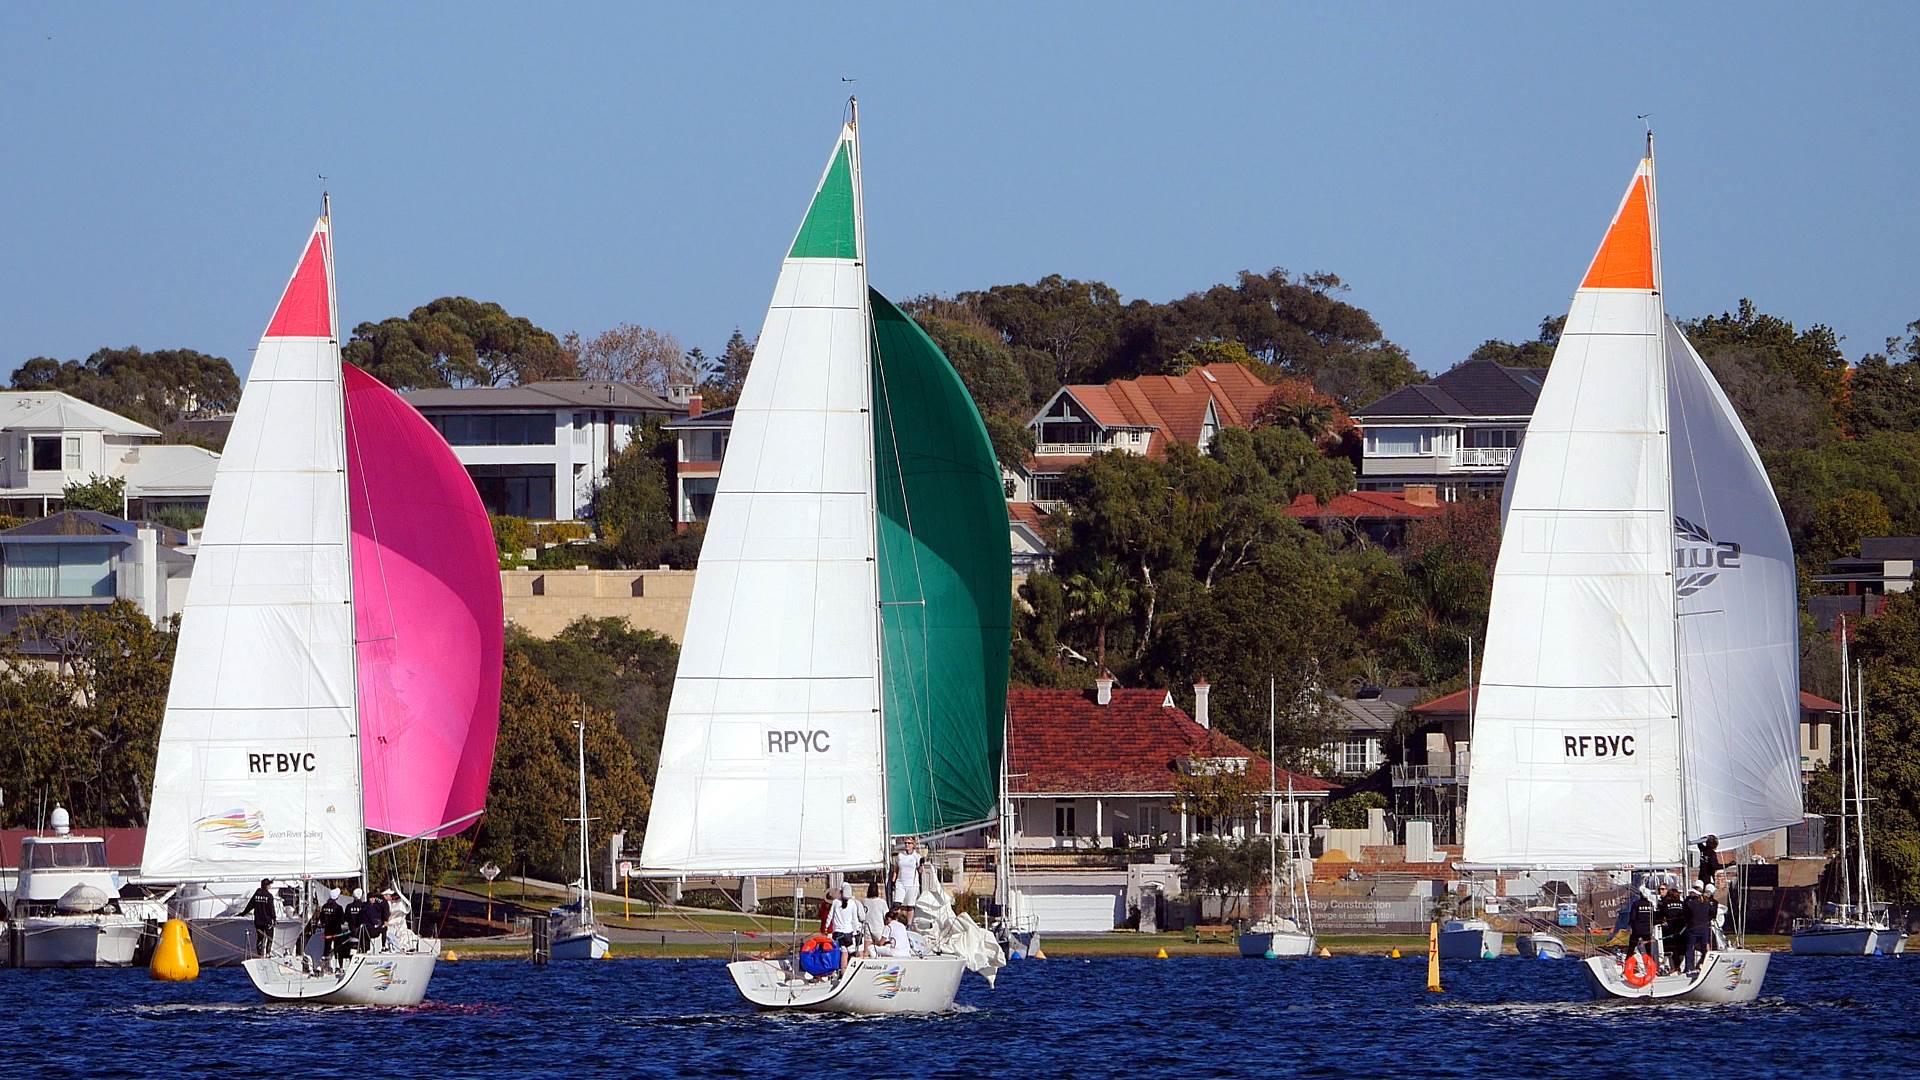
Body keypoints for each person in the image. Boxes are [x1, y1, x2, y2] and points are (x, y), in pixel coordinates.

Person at [825, 886, 861, 970]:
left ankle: (843, 972)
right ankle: (853, 970)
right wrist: (857, 930)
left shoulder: (835, 902)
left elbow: (830, 916)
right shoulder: (852, 903)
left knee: (844, 952)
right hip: (847, 933)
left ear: (841, 892)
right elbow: (855, 919)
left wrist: (826, 927)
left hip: (837, 933)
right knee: (853, 952)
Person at [241, 877, 277, 957]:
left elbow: (250, 905)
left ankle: (259, 954)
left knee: (260, 938)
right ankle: (268, 953)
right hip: (267, 921)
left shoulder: (257, 894)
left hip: (258, 921)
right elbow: (271, 908)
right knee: (270, 937)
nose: (270, 886)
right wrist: (274, 918)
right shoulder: (269, 896)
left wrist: (243, 913)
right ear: (266, 886)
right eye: (269, 885)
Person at [1683, 884, 1715, 973]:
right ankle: (1706, 966)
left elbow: (1685, 914)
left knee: (1690, 948)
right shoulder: (1707, 903)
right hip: (1704, 928)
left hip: (1692, 928)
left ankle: (1688, 967)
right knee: (1704, 948)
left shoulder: (1690, 903)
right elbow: (1712, 914)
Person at [316, 888, 350, 971]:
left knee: (326, 949)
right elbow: (342, 921)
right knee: (338, 949)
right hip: (337, 931)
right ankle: (340, 967)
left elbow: (322, 919)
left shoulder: (324, 907)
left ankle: (322, 967)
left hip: (327, 930)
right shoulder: (339, 908)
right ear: (337, 897)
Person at [1658, 880, 1689, 965]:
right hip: (1682, 928)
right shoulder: (1683, 904)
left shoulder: (1665, 904)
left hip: (1670, 929)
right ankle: (1682, 964)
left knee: (1673, 947)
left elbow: (1661, 916)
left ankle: (1675, 965)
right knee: (1682, 947)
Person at [1625, 885, 1656, 956]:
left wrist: (1630, 926)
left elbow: (1632, 917)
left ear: (1641, 894)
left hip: (1637, 930)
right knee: (1649, 950)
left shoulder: (1636, 904)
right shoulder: (1650, 904)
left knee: (1631, 948)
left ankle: (1628, 962)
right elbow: (1653, 918)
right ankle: (1650, 964)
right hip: (1648, 930)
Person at [861, 882, 889, 955]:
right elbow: (886, 916)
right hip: (879, 928)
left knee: (866, 951)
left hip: (868, 927)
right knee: (881, 951)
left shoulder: (864, 901)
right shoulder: (882, 902)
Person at [894, 838, 923, 907]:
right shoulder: (900, 855)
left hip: (912, 884)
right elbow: (896, 869)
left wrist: (921, 865)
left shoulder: (917, 856)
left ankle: (909, 918)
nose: (907, 844)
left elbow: (920, 871)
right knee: (896, 904)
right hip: (900, 883)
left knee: (910, 906)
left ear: (913, 845)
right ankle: (894, 917)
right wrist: (893, 881)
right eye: (906, 843)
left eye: (909, 843)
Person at [363, 888, 391, 953]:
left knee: (384, 928)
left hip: (373, 928)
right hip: (369, 929)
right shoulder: (366, 907)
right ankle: (369, 949)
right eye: (371, 898)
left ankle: (383, 947)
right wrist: (376, 923)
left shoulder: (376, 906)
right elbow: (370, 917)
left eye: (373, 898)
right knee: (383, 928)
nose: (373, 899)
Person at [345, 888, 368, 955]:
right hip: (363, 930)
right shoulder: (365, 906)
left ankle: (352, 961)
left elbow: (346, 918)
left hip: (352, 930)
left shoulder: (349, 906)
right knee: (364, 948)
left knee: (353, 949)